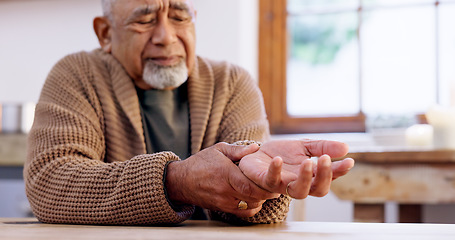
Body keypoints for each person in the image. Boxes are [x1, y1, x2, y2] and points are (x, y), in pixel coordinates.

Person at [24, 0, 354, 226]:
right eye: (144, 20)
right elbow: (49, 182)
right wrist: (176, 181)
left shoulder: (232, 83)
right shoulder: (75, 75)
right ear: (106, 33)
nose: (166, 37)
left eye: (180, 17)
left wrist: (256, 190)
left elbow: (252, 208)